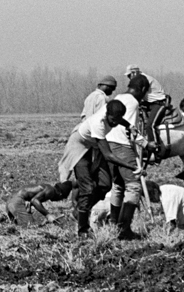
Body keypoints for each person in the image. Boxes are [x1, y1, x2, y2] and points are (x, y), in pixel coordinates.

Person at [57, 99, 140, 236]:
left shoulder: (114, 113)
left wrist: (129, 126)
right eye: (112, 120)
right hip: (79, 146)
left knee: (105, 185)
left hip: (93, 146)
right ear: (107, 114)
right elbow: (108, 156)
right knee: (88, 188)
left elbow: (119, 120)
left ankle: (82, 208)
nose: (114, 123)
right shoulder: (98, 124)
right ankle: (83, 229)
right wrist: (132, 166)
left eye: (118, 120)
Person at [106, 76, 152, 240]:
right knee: (134, 187)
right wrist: (146, 144)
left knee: (118, 185)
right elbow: (131, 131)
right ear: (143, 89)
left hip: (109, 145)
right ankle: (124, 229)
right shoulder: (133, 102)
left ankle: (113, 227)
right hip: (122, 146)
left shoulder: (118, 98)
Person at [6, 181, 74, 227]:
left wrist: (28, 207)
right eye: (62, 198)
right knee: (31, 228)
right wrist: (48, 215)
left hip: (10, 201)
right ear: (60, 194)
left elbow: (31, 199)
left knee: (16, 227)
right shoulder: (51, 190)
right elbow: (34, 200)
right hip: (16, 202)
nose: (60, 201)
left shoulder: (45, 187)